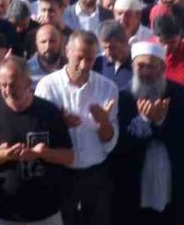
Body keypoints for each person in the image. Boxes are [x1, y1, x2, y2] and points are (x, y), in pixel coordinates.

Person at [0, 56, 75, 225]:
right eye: (3, 85)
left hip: (45, 212)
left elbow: (69, 157)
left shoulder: (48, 112)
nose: (7, 90)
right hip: (3, 212)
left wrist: (44, 153)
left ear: (28, 82)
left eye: (13, 85)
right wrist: (4, 155)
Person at [34, 30, 119, 225]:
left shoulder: (107, 88)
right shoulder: (48, 86)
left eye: (89, 59)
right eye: (79, 58)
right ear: (67, 51)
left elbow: (109, 143)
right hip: (61, 174)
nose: (83, 65)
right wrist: (59, 123)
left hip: (95, 175)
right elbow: (38, 134)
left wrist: (103, 122)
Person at [111, 42, 184, 225]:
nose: (145, 72)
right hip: (133, 181)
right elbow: (117, 144)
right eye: (140, 66)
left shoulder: (182, 95)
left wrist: (160, 122)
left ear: (162, 67)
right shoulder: (123, 97)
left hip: (171, 178)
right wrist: (143, 121)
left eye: (151, 66)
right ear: (133, 67)